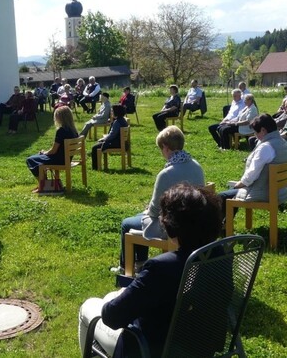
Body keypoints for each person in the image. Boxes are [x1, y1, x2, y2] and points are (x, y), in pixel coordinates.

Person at [79, 183, 222, 357]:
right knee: (111, 296)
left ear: (172, 227)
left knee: (89, 307)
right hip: (200, 346)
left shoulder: (163, 267)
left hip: (149, 349)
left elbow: (112, 317)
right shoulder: (221, 257)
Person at [112, 126, 204, 273]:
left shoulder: (166, 174)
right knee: (139, 218)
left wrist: (148, 210)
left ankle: (126, 268)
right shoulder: (196, 166)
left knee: (127, 224)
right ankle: (140, 262)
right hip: (193, 222)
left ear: (166, 148)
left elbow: (154, 212)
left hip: (172, 227)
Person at [218, 114, 287, 206]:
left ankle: (222, 220)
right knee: (233, 192)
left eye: (255, 132)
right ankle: (226, 220)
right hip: (281, 191)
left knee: (221, 196)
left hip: (262, 193)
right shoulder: (283, 143)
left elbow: (252, 174)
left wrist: (239, 184)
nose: (254, 135)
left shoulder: (266, 147)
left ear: (263, 130)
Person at [25, 106, 79, 185]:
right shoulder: (73, 131)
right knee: (37, 159)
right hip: (66, 158)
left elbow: (53, 150)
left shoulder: (61, 131)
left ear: (60, 117)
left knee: (31, 159)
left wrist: (44, 153)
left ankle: (44, 185)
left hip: (59, 160)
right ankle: (46, 184)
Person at [91, 104, 128, 170]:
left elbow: (112, 135)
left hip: (116, 143)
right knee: (97, 145)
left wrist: (103, 139)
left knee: (94, 148)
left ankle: (95, 168)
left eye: (112, 111)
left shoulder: (117, 122)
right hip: (121, 142)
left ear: (116, 112)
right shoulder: (123, 120)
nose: (111, 113)